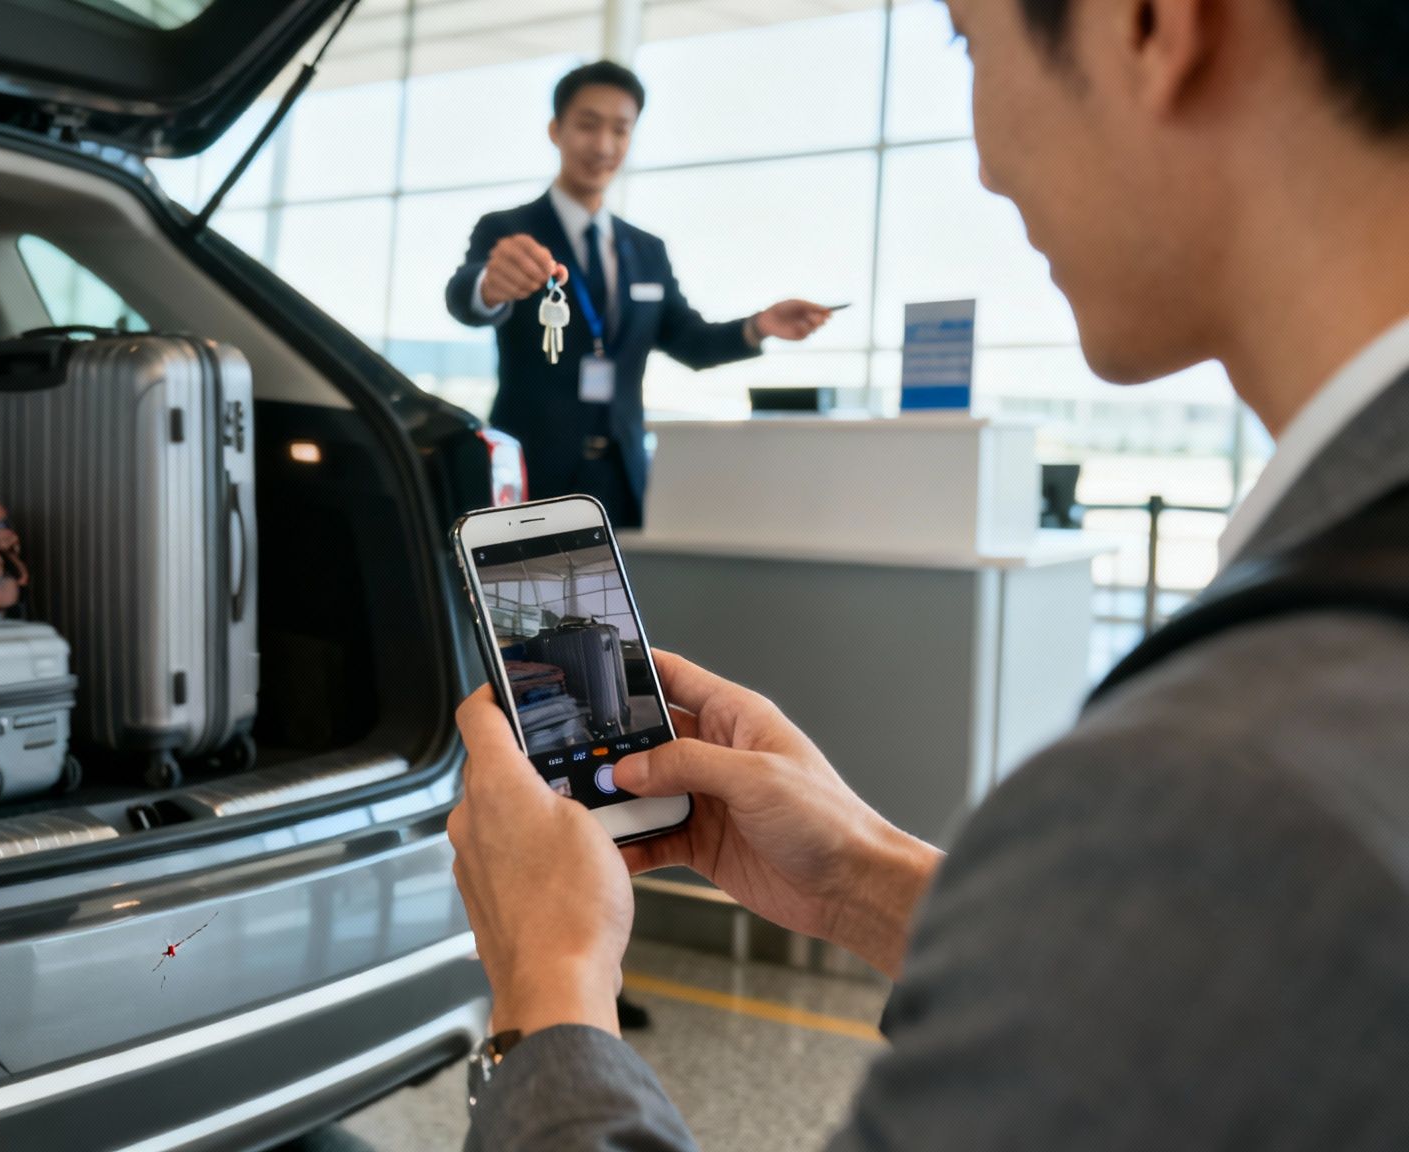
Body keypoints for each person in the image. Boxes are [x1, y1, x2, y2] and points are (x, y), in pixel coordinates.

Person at [446, 0, 1409, 1147]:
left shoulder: (1209, 778)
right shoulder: (1308, 682)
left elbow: (692, 337)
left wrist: (545, 996)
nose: (986, 167)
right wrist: (859, 875)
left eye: (966, 39)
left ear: (1148, 24)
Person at [444, 61, 832, 529]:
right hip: (533, 469)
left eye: (620, 130)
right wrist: (490, 285)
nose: (603, 145)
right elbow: (466, 297)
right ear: (556, 130)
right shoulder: (508, 230)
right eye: (588, 125)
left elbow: (688, 341)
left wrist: (758, 327)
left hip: (619, 478)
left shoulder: (647, 251)